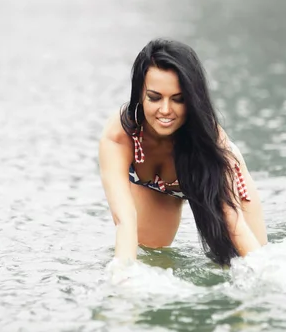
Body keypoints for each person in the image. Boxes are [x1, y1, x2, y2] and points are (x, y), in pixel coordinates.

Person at [98, 38, 267, 267]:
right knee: (148, 260)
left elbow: (232, 220)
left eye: (178, 99)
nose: (165, 110)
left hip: (222, 184)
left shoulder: (211, 142)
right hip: (156, 189)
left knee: (248, 265)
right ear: (139, 94)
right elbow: (124, 222)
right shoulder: (119, 136)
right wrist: (120, 283)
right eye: (154, 97)